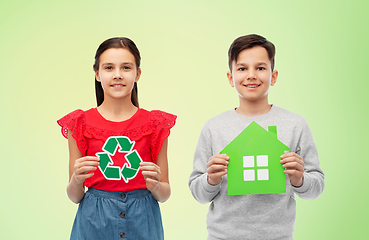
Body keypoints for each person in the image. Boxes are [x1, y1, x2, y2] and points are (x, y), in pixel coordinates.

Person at [188, 34, 324, 240]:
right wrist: (211, 179)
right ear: (230, 77)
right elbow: (198, 193)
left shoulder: (295, 125)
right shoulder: (213, 128)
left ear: (274, 75)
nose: (251, 75)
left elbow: (316, 188)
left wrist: (299, 179)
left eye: (260, 68)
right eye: (242, 68)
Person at [57, 37, 176, 240]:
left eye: (126, 68)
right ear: (97, 74)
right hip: (93, 222)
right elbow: (75, 196)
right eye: (109, 68)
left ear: (138, 74)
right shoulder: (80, 123)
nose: (118, 75)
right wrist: (76, 179)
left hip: (143, 220)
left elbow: (164, 194)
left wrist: (156, 185)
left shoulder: (156, 124)